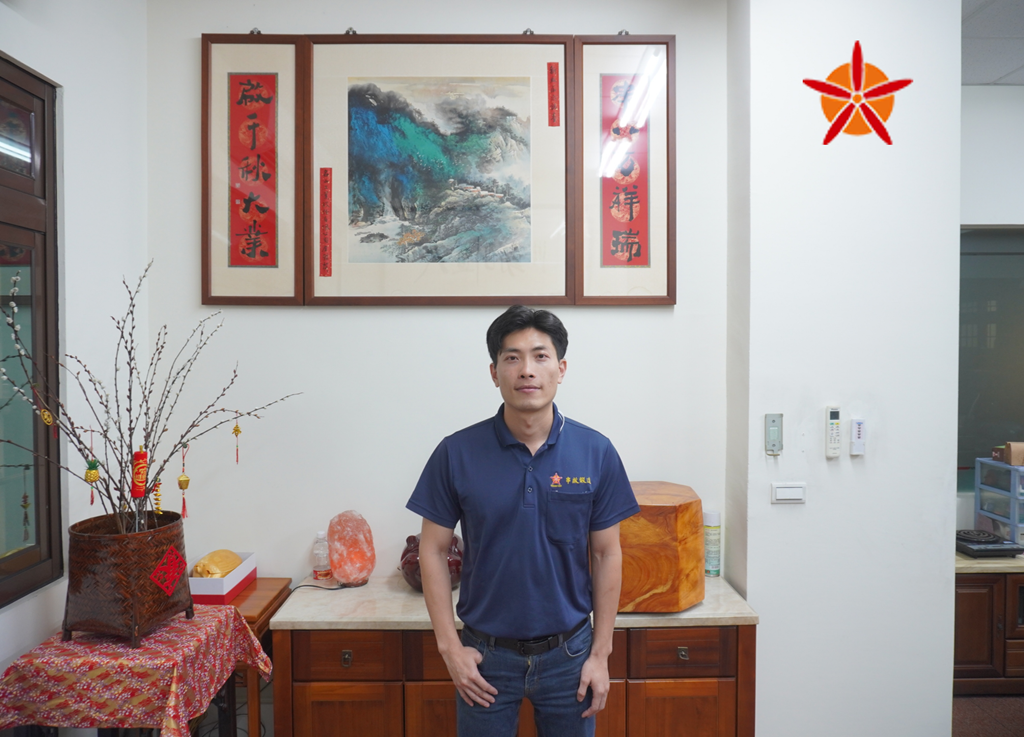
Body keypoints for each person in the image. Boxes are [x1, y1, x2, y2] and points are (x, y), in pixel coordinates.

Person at [406, 305, 639, 737]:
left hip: (570, 655)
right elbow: (432, 550)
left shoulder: (596, 451)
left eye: (540, 356)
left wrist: (600, 654)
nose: (527, 370)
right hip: (484, 658)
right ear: (494, 373)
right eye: (512, 358)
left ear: (561, 369)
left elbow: (607, 554)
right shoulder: (456, 452)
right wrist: (450, 648)